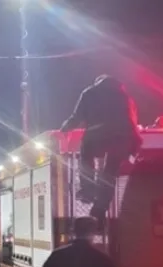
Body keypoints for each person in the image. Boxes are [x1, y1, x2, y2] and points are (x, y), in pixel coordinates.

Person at [61, 75, 142, 219]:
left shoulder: (90, 93)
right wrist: (135, 145)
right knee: (110, 173)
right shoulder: (126, 97)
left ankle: (88, 191)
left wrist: (65, 128)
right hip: (122, 139)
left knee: (86, 156)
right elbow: (132, 122)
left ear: (98, 83)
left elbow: (78, 116)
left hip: (97, 134)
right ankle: (100, 208)